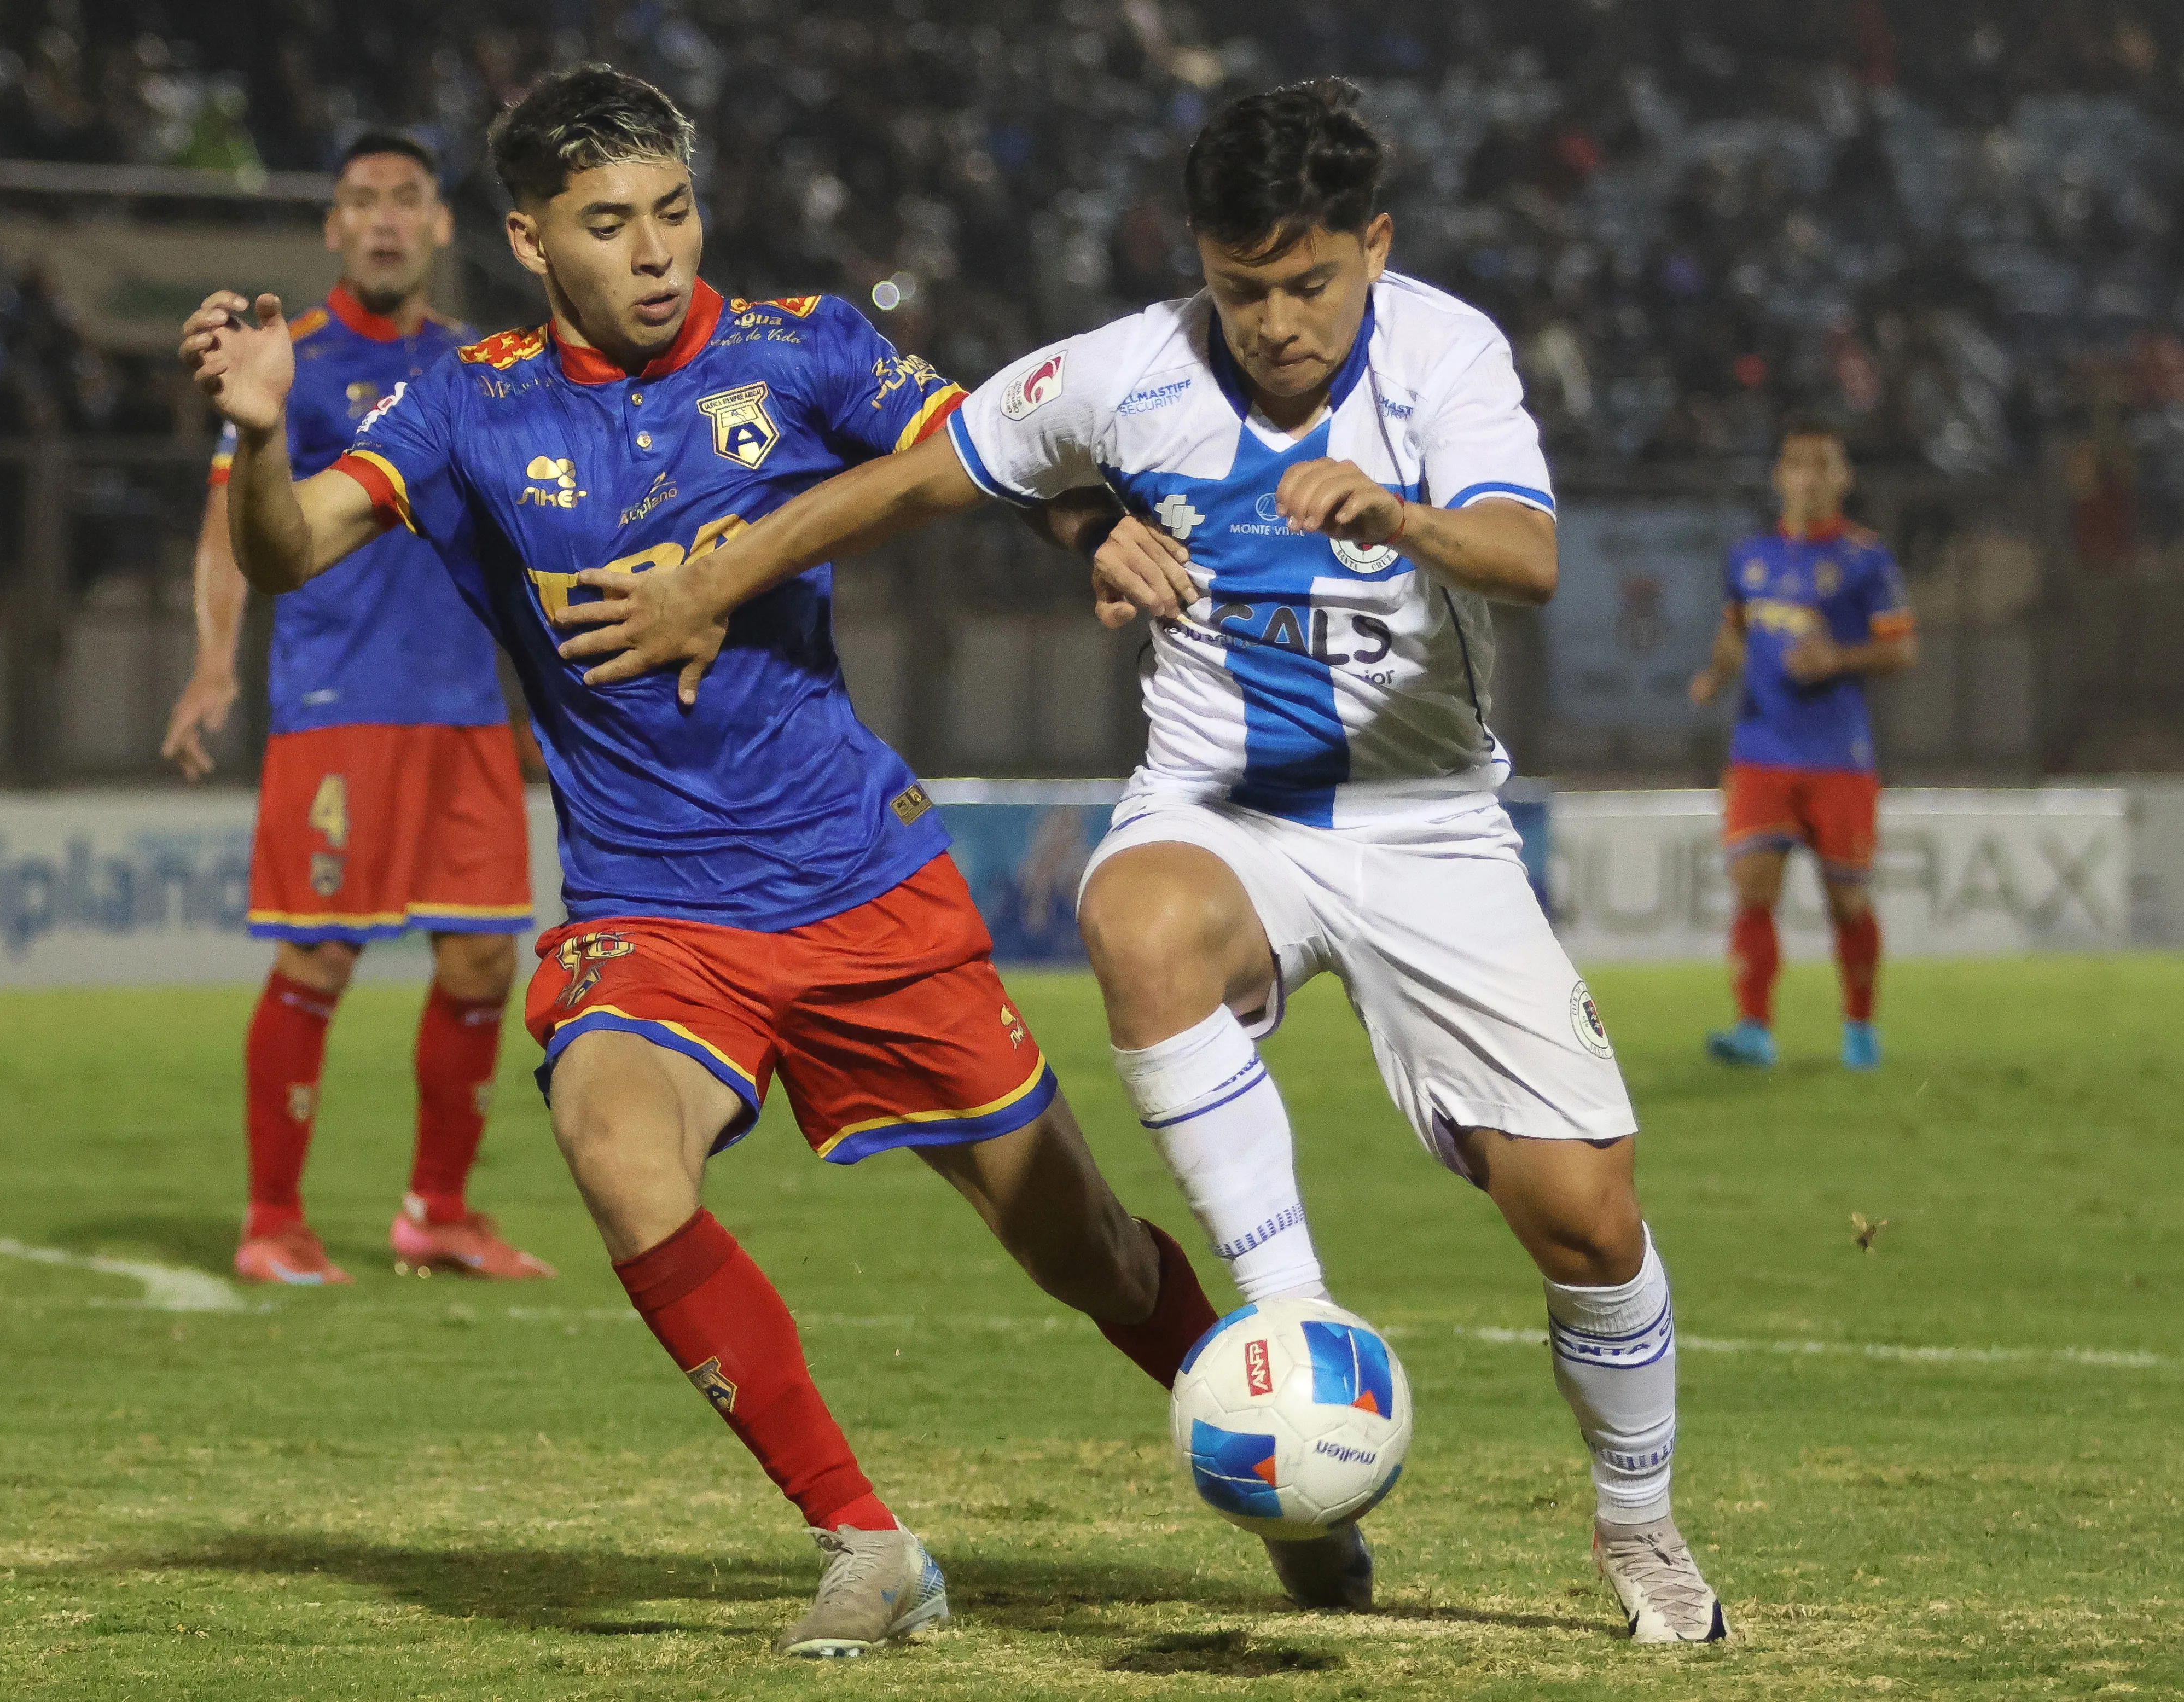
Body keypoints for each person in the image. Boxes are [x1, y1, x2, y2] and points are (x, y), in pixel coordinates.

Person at [556, 79, 1729, 1645]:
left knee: (1585, 1217)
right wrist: (719, 579)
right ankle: (1289, 1323)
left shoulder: (1449, 357)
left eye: (1310, 284)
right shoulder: (1123, 373)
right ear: (1201, 262)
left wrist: (1397, 512)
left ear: (1372, 248)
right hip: (1220, 803)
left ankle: (1642, 1525)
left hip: (1427, 821)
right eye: (1243, 289)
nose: (1277, 322)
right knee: (1135, 916)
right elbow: (915, 474)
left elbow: (1528, 555)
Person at [179, 66, 1229, 1659]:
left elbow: (980, 446)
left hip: (858, 884)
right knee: (613, 1140)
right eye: (611, 223)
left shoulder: (798, 342)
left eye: (673, 208)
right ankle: (864, 1539)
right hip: (652, 908)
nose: (657, 249)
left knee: (1077, 1241)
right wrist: (259, 439)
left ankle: (1270, 1447)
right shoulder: (468, 400)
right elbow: (286, 547)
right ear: (531, 238)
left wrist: (1091, 530)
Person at [159, 130, 553, 1288]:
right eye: (361, 201)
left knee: (485, 961)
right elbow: (231, 520)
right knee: (319, 956)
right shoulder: (293, 360)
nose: (384, 219)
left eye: (406, 200)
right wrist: (216, 661)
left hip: (463, 709)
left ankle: (437, 1211)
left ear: (439, 225)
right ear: (332, 228)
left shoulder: (480, 365)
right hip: (337, 706)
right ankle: (272, 1219)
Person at [1689, 423, 1916, 1071]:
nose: (1809, 477)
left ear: (1843, 479)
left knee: (1846, 897)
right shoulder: (1749, 557)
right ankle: (1753, 1029)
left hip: (1835, 754)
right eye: (1797, 465)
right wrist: (1714, 676)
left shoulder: (1866, 559)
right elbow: (1735, 630)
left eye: (1823, 466)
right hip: (1760, 745)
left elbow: (1901, 646)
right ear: (1779, 476)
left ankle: (1859, 1029)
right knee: (1753, 888)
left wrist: (1838, 658)